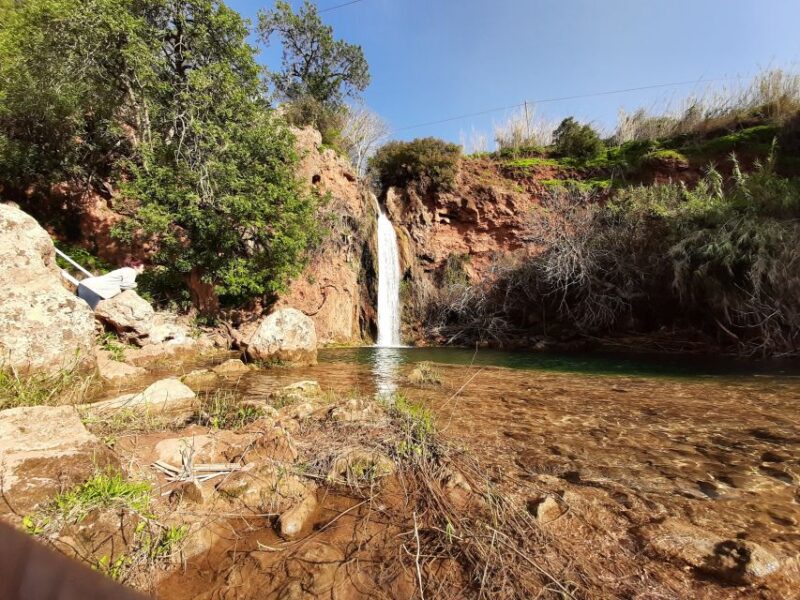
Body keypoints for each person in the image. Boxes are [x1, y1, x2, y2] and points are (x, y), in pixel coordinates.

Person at [77, 259, 145, 309]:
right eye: (142, 267)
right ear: (136, 266)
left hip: (88, 287)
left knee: (81, 310)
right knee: (85, 312)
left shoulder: (125, 270)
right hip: (92, 290)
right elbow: (126, 286)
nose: (143, 269)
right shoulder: (131, 271)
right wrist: (135, 285)